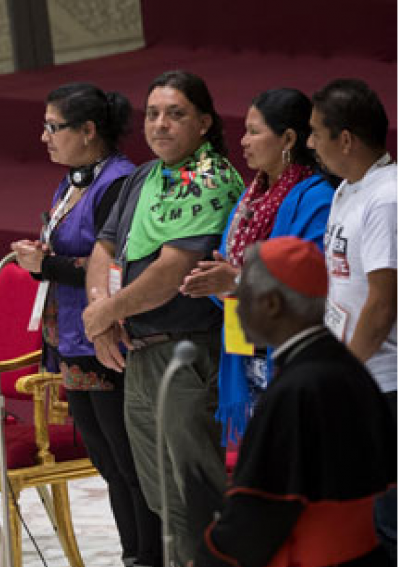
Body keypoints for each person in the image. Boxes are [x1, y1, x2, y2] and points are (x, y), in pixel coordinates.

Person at [82, 70, 244, 565]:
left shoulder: (211, 179)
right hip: (141, 354)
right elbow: (104, 248)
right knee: (161, 497)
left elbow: (173, 271)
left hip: (187, 351)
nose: (160, 124)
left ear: (204, 122)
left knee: (196, 499)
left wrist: (107, 311)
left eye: (175, 114)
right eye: (152, 114)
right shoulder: (144, 177)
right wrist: (101, 317)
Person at [11, 83, 162, 567]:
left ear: (89, 130)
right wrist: (45, 258)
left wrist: (46, 265)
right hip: (73, 341)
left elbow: (118, 266)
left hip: (108, 339)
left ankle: (150, 557)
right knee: (109, 464)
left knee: (131, 462)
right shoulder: (73, 181)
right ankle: (132, 555)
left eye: (53, 127)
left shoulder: (118, 183)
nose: (44, 137)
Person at [196, 236, 398, 567]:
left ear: (272, 304)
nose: (236, 307)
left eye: (242, 295)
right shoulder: (345, 366)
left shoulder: (297, 389)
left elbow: (261, 510)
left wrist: (209, 560)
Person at [180, 88, 334, 441]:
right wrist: (216, 283)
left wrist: (235, 282)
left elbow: (313, 283)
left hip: (294, 357)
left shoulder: (317, 198)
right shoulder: (252, 197)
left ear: (289, 139)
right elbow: (227, 270)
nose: (243, 141)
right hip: (245, 348)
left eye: (253, 131)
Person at [309, 79, 398, 418]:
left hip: (382, 385)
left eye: (316, 132)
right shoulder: (348, 188)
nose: (310, 143)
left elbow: (381, 306)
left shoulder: (387, 198)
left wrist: (342, 375)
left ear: (345, 140)